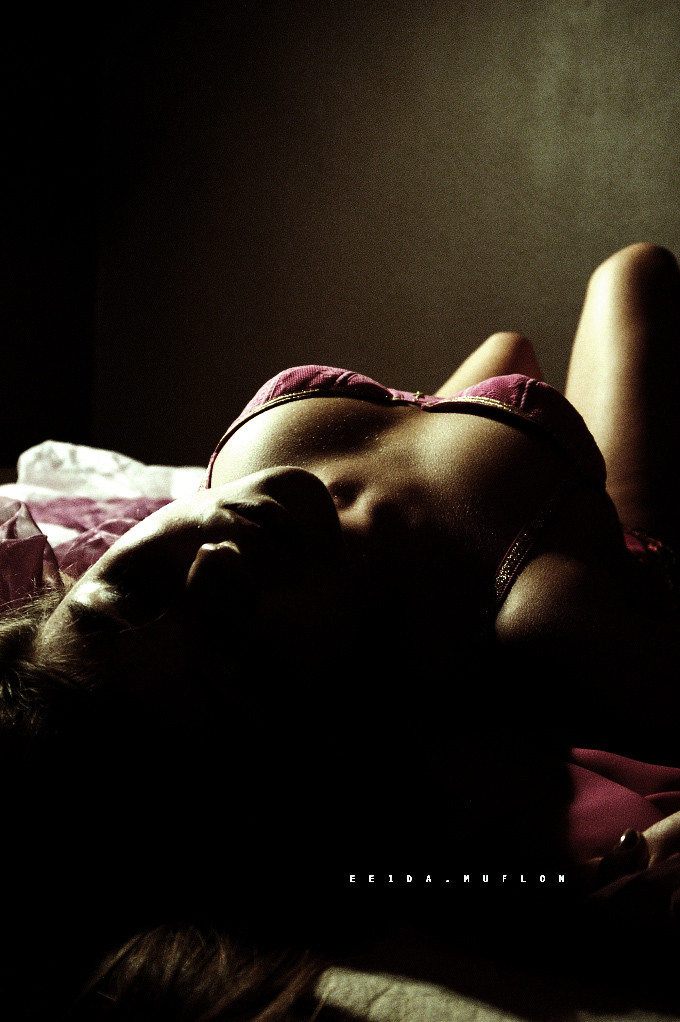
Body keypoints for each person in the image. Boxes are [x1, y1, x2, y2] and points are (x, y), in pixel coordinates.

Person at [2, 242, 680, 1015]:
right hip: (553, 519)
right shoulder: (549, 622)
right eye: (239, 651)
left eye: (128, 595)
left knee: (506, 347)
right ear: (327, 736)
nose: (215, 565)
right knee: (634, 272)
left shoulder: (254, 526)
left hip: (449, 454)